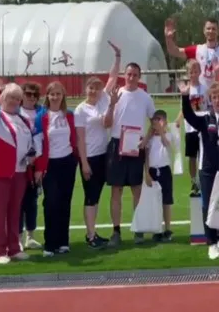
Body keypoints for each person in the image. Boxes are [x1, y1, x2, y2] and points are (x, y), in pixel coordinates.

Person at [180, 82, 219, 259]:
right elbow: (188, 115)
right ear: (210, 100)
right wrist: (185, 96)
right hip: (207, 170)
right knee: (208, 206)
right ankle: (212, 243)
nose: (217, 100)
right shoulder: (204, 119)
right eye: (214, 97)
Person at [0, 79, 34, 264]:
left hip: (19, 172)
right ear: (3, 98)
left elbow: (28, 143)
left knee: (15, 212)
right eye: (11, 97)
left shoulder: (23, 120)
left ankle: (14, 248)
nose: (14, 101)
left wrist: (31, 154)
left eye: (17, 98)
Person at [103, 62, 156, 246]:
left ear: (139, 77)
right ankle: (116, 231)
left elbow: (155, 121)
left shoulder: (145, 97)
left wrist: (146, 139)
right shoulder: (116, 95)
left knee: (136, 189)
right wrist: (111, 105)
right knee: (116, 190)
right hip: (117, 145)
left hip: (135, 145)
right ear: (124, 75)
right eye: (129, 74)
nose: (131, 78)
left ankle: (138, 229)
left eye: (135, 75)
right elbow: (106, 123)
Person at [74, 40, 120, 249]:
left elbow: (113, 76)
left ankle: (93, 232)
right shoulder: (81, 110)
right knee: (90, 197)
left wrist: (117, 56)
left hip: (104, 155)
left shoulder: (103, 100)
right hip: (90, 158)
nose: (94, 91)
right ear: (86, 89)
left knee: (97, 196)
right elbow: (80, 139)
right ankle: (90, 235)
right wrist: (84, 163)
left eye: (97, 88)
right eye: (91, 88)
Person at [33, 82, 78, 257]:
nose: (55, 97)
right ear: (48, 96)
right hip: (49, 165)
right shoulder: (41, 116)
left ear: (63, 96)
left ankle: (63, 242)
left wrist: (75, 159)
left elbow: (75, 138)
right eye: (52, 94)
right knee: (51, 202)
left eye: (58, 94)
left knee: (65, 202)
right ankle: (50, 243)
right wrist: (39, 167)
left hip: (67, 162)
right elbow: (38, 143)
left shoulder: (69, 115)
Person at [141, 110, 176, 242]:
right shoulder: (149, 138)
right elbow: (145, 154)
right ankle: (157, 229)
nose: (157, 123)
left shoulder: (168, 135)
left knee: (166, 201)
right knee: (154, 202)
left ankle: (167, 229)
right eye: (155, 120)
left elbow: (166, 144)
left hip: (165, 170)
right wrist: (147, 173)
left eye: (160, 119)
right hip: (152, 171)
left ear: (165, 122)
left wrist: (161, 131)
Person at [165, 17, 219, 84]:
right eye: (208, 28)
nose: (211, 31)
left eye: (213, 29)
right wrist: (168, 38)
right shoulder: (198, 50)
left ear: (218, 31)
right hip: (201, 90)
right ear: (204, 31)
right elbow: (174, 51)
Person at [18, 81, 43, 251]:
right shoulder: (15, 112)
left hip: (36, 165)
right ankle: (18, 238)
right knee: (18, 202)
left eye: (35, 95)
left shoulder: (42, 112)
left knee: (32, 202)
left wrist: (39, 165)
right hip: (19, 165)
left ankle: (30, 237)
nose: (32, 98)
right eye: (28, 94)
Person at [176, 60, 207, 197]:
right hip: (190, 129)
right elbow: (184, 108)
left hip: (203, 127)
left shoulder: (205, 88)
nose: (193, 74)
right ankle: (194, 182)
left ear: (200, 72)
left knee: (204, 155)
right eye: (191, 72)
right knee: (192, 157)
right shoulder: (186, 90)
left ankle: (204, 180)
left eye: (196, 71)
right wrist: (178, 120)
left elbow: (208, 105)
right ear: (188, 74)